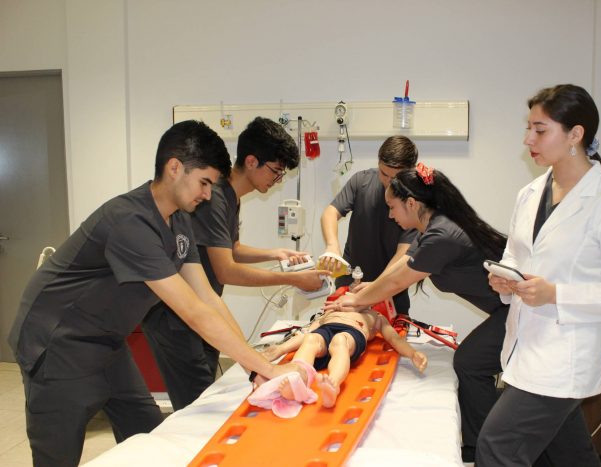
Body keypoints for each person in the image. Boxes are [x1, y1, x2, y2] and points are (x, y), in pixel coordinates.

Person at [7, 120, 301, 467]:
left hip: (107, 341)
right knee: (58, 454)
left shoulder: (178, 221)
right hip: (57, 341)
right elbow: (193, 312)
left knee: (147, 431)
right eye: (204, 182)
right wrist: (263, 367)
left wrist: (255, 369)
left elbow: (207, 298)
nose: (207, 195)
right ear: (174, 167)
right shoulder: (130, 221)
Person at [476, 84, 601, 466]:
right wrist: (504, 282)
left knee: (497, 446)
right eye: (528, 128)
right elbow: (515, 256)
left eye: (540, 130)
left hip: (565, 357)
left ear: (575, 134)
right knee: (568, 455)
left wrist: (556, 294)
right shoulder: (530, 193)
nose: (528, 139)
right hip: (525, 345)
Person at [322, 163, 508, 461]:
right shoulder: (430, 228)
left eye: (392, 207)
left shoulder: (442, 235)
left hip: (521, 310)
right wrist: (367, 289)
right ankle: (479, 444)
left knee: (470, 362)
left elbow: (399, 280)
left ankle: (483, 447)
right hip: (507, 309)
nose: (390, 215)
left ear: (411, 203)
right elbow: (397, 269)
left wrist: (354, 302)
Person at [142, 117, 329, 411]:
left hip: (202, 306)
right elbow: (225, 270)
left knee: (208, 391)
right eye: (276, 171)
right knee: (198, 404)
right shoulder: (213, 198)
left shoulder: (229, 197)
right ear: (252, 161)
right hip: (175, 318)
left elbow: (232, 250)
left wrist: (275, 254)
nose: (277, 180)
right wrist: (292, 279)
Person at [319, 135, 419, 315]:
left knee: (387, 340)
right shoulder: (362, 181)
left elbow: (403, 254)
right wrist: (332, 247)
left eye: (395, 178)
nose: (388, 182)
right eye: (384, 173)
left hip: (391, 293)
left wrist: (378, 288)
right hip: (350, 286)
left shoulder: (415, 202)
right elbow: (330, 213)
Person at [261, 307, 428, 408]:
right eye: (348, 290)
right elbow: (307, 334)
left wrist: (412, 353)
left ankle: (333, 385)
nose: (353, 289)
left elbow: (394, 338)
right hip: (324, 331)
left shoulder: (375, 316)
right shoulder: (330, 312)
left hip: (352, 334)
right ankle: (298, 380)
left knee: (339, 341)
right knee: (311, 340)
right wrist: (281, 349)